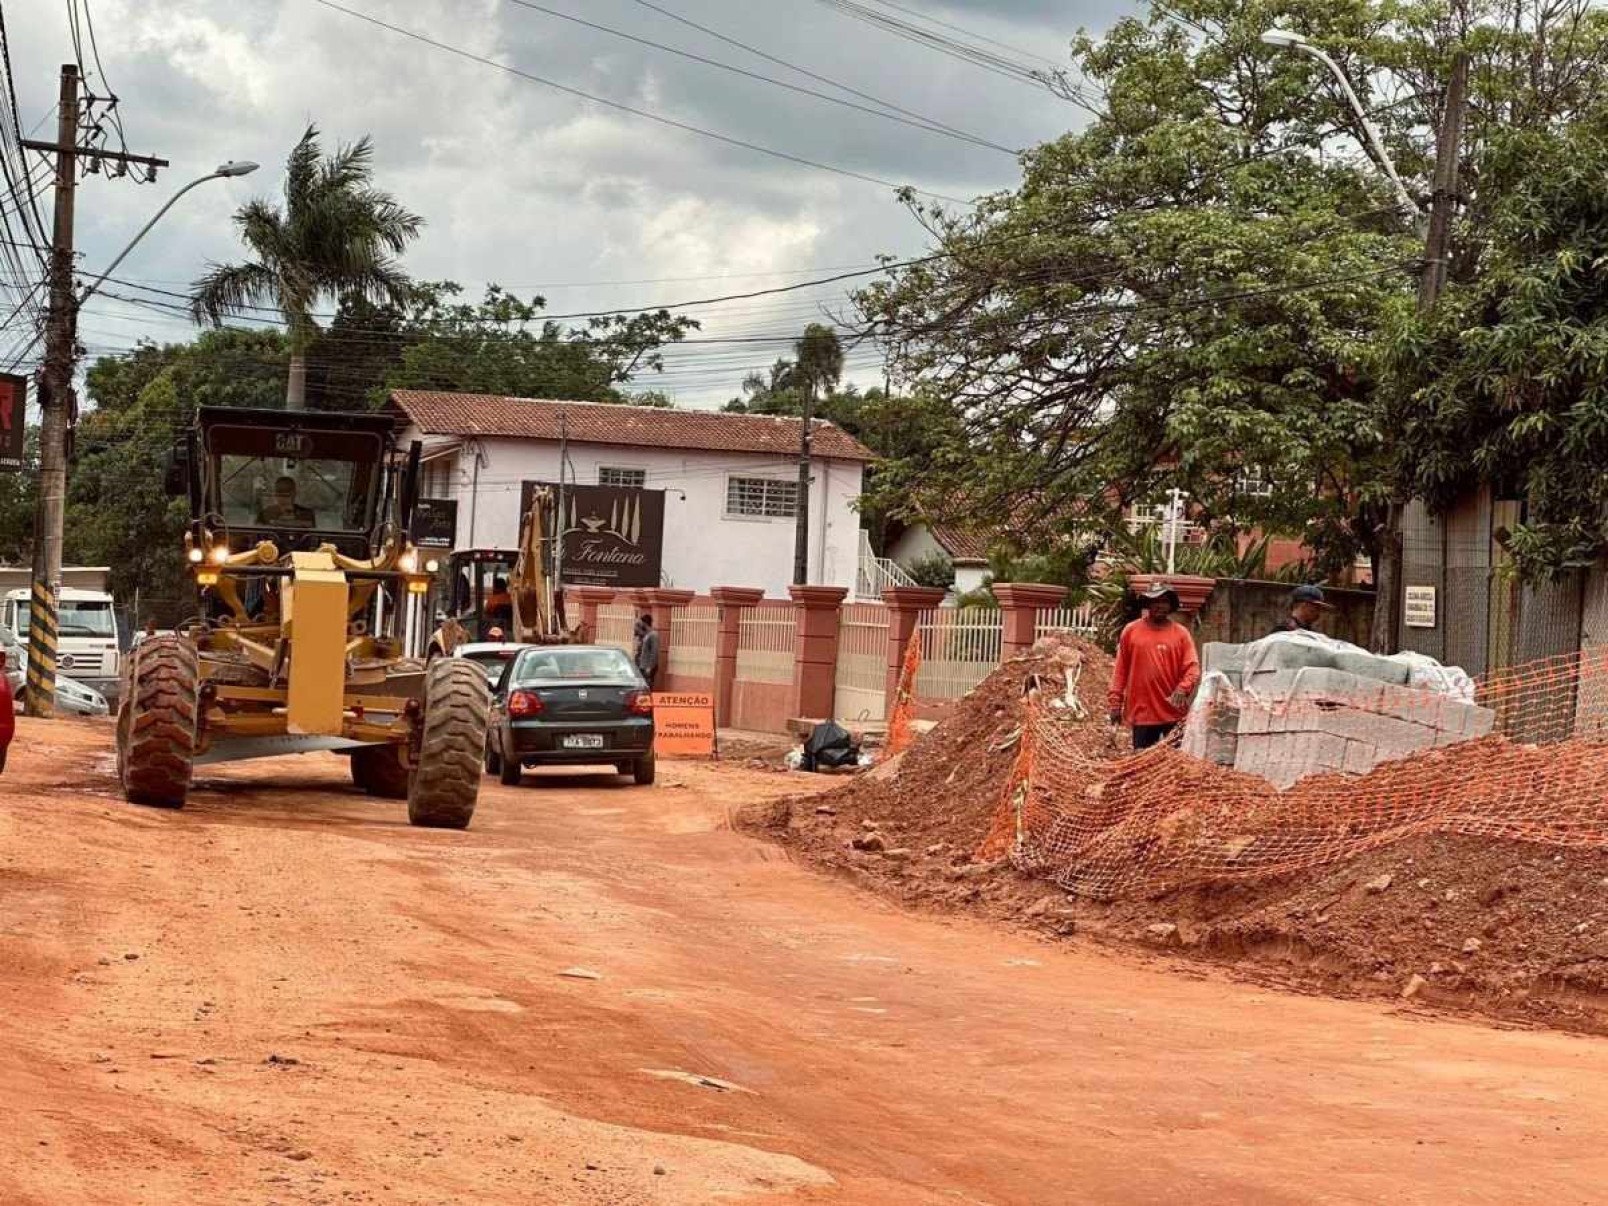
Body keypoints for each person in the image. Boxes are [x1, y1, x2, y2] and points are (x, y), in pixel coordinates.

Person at [1107, 582, 1201, 751]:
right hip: (1142, 713)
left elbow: (1192, 667)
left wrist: (1183, 688)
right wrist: (1115, 703)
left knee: (1172, 764)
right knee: (1142, 762)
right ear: (1148, 604)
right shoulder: (1131, 631)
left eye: (1164, 601)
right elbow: (1120, 670)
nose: (1160, 605)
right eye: (1155, 601)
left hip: (1173, 712)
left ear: (1171, 605)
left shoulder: (1181, 634)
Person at [1271, 584, 1336, 635]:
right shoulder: (1282, 632)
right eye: (1316, 607)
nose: (1319, 612)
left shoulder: (1311, 633)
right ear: (1304, 605)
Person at [634, 612, 661, 690]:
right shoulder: (647, 634)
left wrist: (650, 667)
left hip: (648, 666)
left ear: (645, 623)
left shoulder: (653, 635)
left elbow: (654, 652)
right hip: (643, 665)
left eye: (641, 623)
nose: (641, 625)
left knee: (647, 687)